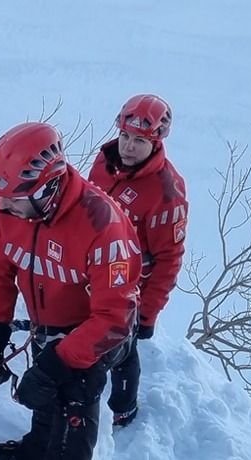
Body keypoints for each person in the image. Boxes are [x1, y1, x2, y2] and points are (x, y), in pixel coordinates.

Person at [0, 122, 141, 460]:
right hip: (49, 318)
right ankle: (37, 447)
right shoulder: (12, 206)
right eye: (1, 199)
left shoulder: (102, 225)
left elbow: (114, 318)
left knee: (73, 388)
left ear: (48, 188)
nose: (4, 208)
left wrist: (59, 362)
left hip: (103, 329)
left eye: (15, 200)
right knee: (44, 387)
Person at [88, 94, 188, 427]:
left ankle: (123, 406)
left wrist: (148, 312)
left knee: (123, 349)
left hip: (130, 287)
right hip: (91, 270)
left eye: (139, 141)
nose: (129, 147)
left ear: (156, 142)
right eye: (126, 137)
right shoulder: (104, 162)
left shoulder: (166, 192)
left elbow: (170, 258)